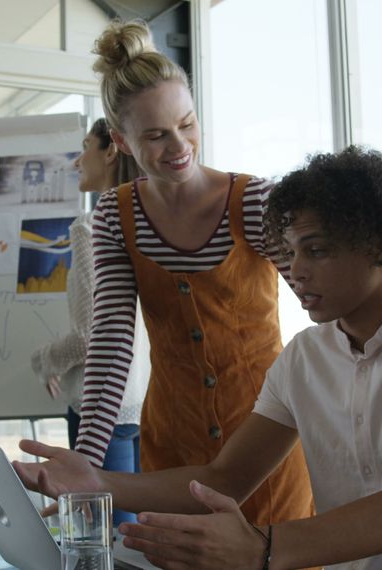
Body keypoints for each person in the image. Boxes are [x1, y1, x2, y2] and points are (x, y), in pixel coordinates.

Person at [14, 146, 382, 569]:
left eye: (315, 251)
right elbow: (224, 478)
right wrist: (100, 482)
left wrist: (263, 548)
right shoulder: (304, 357)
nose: (295, 271)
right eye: (290, 252)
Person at [58, 19, 313, 526]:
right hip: (170, 447)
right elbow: (110, 341)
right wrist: (84, 466)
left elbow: (319, 297)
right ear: (122, 141)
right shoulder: (114, 215)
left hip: (265, 446)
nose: (179, 146)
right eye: (155, 135)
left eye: (187, 124)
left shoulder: (254, 201)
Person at [30, 117, 151, 525]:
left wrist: (45, 361)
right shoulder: (152, 225)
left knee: (107, 540)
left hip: (101, 409)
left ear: (111, 150)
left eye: (86, 146)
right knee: (141, 542)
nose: (77, 160)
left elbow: (88, 337)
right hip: (147, 406)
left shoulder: (91, 225)